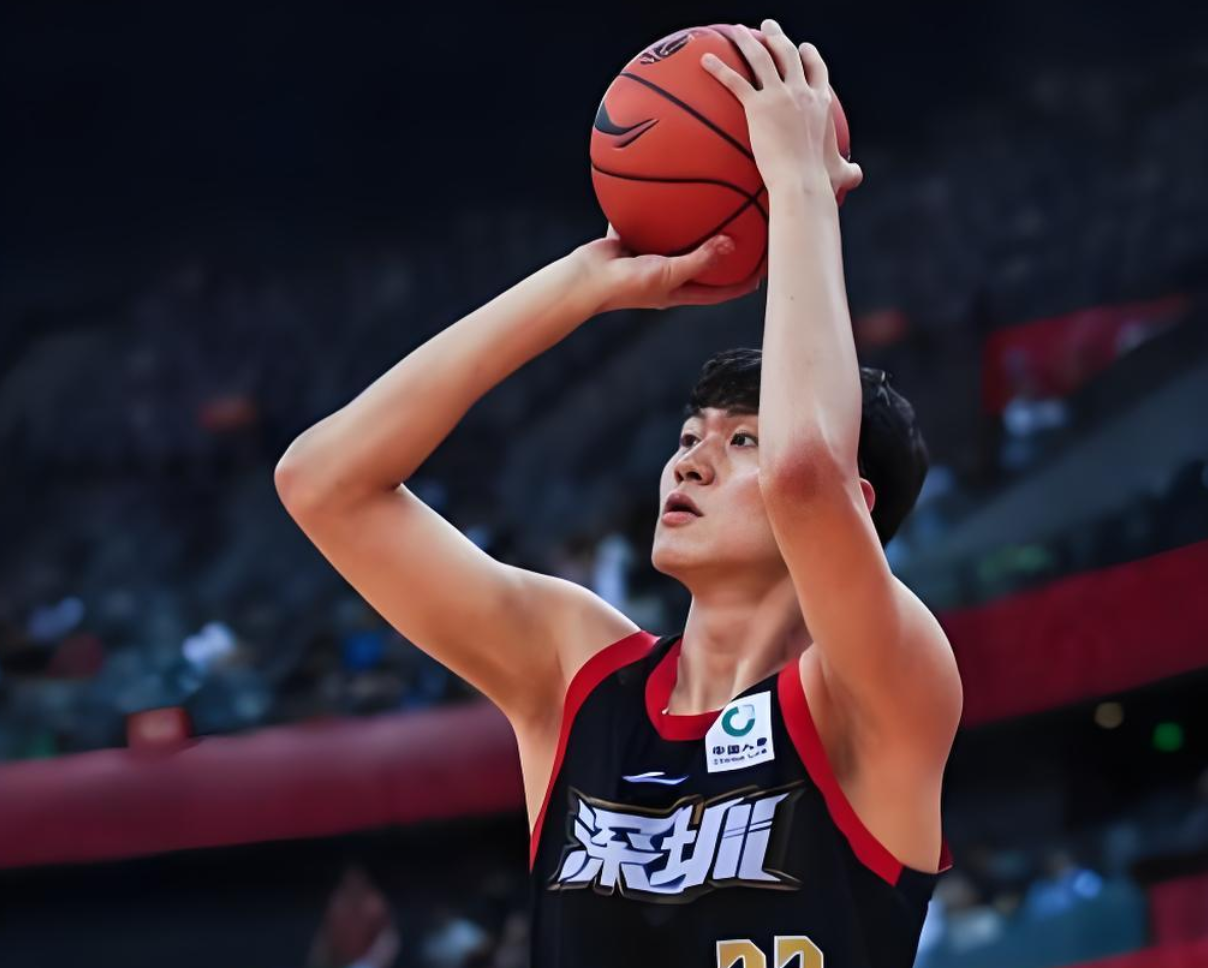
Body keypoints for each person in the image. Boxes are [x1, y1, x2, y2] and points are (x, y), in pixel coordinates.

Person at [275, 18, 961, 968]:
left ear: (863, 502)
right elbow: (323, 483)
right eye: (688, 439)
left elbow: (809, 475)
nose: (690, 463)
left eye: (741, 440)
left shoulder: (883, 689)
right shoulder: (581, 676)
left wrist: (800, 189)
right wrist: (581, 285)